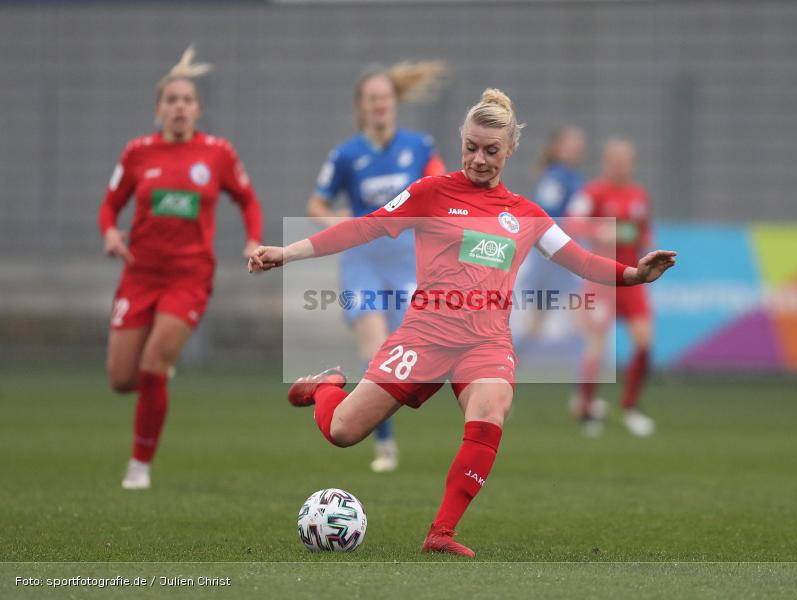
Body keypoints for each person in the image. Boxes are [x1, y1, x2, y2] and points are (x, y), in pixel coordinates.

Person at [250, 89, 675, 556]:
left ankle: (441, 533)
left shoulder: (527, 215)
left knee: (492, 409)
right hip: (425, 335)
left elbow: (581, 260)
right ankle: (325, 388)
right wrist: (287, 253)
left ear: (510, 149)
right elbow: (363, 226)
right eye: (471, 147)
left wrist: (634, 275)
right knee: (343, 432)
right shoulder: (430, 193)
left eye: (491, 150)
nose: (478, 159)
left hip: (485, 342)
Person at [98, 46, 263, 489]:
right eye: (171, 100)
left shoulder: (216, 154)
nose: (179, 107)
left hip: (189, 277)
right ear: (158, 109)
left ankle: (139, 467)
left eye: (186, 100)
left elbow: (247, 199)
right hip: (139, 275)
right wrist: (111, 233)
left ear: (197, 109)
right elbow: (109, 206)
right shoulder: (137, 153)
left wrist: (252, 239)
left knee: (154, 362)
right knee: (120, 379)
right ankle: (159, 381)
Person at [306, 61, 446, 473]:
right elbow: (316, 205)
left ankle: (368, 420)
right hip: (362, 264)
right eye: (372, 99)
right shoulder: (346, 155)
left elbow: (440, 191)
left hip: (406, 263)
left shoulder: (419, 146)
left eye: (384, 97)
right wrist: (345, 228)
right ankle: (384, 446)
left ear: (393, 102)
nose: (379, 105)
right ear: (361, 106)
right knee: (374, 349)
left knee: (407, 357)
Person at [567, 138, 656, 437]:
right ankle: (587, 409)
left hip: (632, 279)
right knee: (596, 345)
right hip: (602, 278)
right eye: (615, 161)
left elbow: (643, 231)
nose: (620, 166)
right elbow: (572, 223)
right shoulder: (593, 192)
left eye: (625, 161)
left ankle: (630, 406)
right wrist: (599, 229)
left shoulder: (638, 195)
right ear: (606, 162)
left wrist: (647, 243)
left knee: (644, 342)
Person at [517, 127, 586, 342]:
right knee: (579, 314)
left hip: (560, 254)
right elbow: (547, 214)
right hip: (553, 256)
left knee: (537, 323)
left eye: (577, 146)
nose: (574, 150)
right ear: (556, 148)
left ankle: (506, 365)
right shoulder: (555, 177)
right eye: (569, 145)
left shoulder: (572, 177)